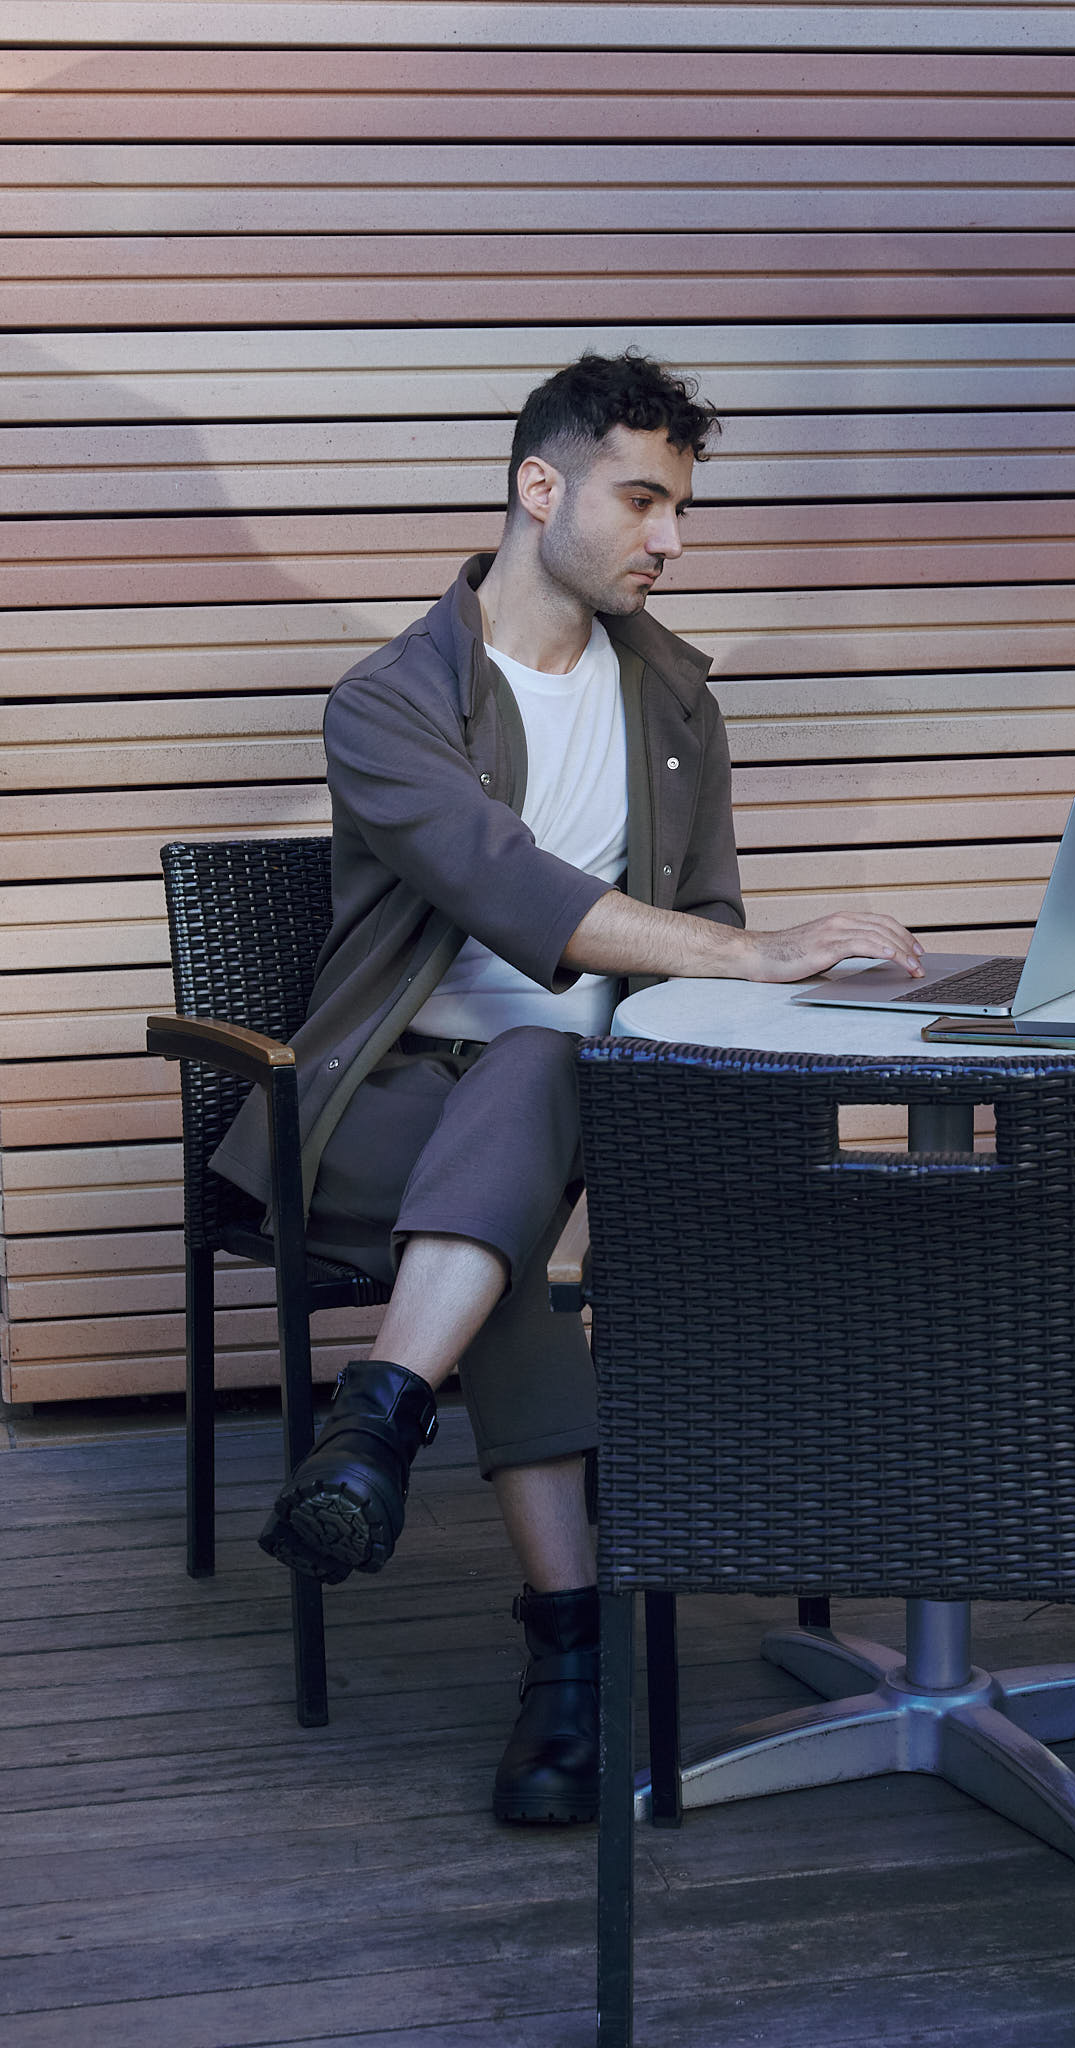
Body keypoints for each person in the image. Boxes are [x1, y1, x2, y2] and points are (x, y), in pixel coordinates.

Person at [211, 351, 923, 1825]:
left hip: (611, 1106)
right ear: (540, 488)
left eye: (682, 507)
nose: (673, 539)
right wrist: (754, 947)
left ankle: (379, 1427)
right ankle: (566, 1668)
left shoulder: (674, 696)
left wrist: (780, 977)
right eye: (643, 500)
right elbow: (511, 890)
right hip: (386, 1110)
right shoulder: (391, 702)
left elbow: (700, 924)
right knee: (524, 1147)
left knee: (542, 1092)